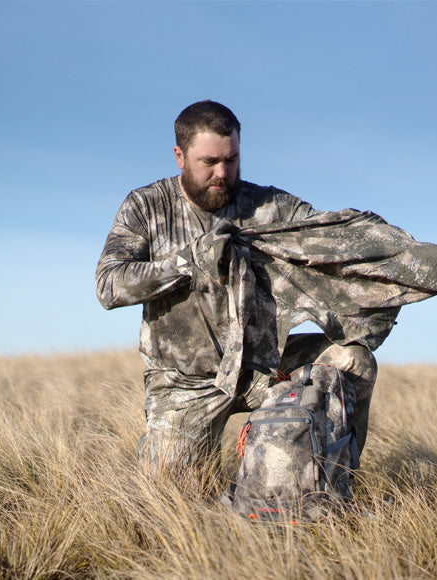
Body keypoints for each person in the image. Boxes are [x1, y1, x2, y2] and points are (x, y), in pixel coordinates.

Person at [95, 100, 378, 472]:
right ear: (179, 156)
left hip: (262, 366)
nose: (222, 173)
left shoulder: (267, 205)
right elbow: (109, 285)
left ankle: (332, 479)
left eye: (231, 160)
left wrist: (384, 242)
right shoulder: (146, 206)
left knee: (352, 360)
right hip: (184, 383)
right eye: (209, 162)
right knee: (170, 492)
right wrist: (187, 262)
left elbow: (328, 233)